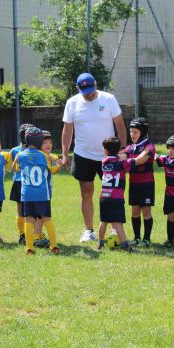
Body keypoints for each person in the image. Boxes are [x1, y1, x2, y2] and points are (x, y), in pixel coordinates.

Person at [61, 73, 127, 242]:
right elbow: (67, 130)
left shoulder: (109, 99)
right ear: (78, 88)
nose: (89, 94)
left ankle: (114, 229)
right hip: (83, 154)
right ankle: (89, 230)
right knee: (86, 192)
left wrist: (123, 150)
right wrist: (64, 154)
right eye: (85, 91)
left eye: (91, 89)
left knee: (112, 193)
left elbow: (120, 124)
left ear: (95, 84)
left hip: (109, 156)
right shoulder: (72, 103)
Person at [14, 127, 62, 255]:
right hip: (42, 194)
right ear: (40, 140)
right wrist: (59, 164)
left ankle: (29, 248)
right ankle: (54, 246)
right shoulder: (44, 156)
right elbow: (53, 170)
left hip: (27, 194)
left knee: (28, 220)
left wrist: (16, 160)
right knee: (47, 219)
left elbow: (16, 169)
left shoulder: (21, 155)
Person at [97, 137, 148, 252]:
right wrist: (146, 150)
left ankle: (100, 244)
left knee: (103, 221)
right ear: (119, 150)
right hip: (116, 198)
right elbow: (140, 160)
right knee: (118, 222)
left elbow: (114, 158)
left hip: (104, 197)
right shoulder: (123, 164)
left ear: (105, 151)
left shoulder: (103, 162)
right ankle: (126, 247)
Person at [125, 117, 156, 247]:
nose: (132, 134)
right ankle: (137, 238)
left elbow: (140, 160)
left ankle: (146, 239)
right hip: (134, 184)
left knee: (146, 211)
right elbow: (119, 155)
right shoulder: (130, 147)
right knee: (135, 211)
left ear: (142, 132)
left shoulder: (149, 146)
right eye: (131, 131)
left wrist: (124, 163)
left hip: (146, 184)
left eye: (135, 132)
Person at [8, 123, 35, 245]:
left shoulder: (35, 150)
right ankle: (22, 235)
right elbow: (13, 168)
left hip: (31, 183)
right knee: (20, 211)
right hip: (19, 183)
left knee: (31, 210)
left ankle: (33, 234)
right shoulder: (14, 151)